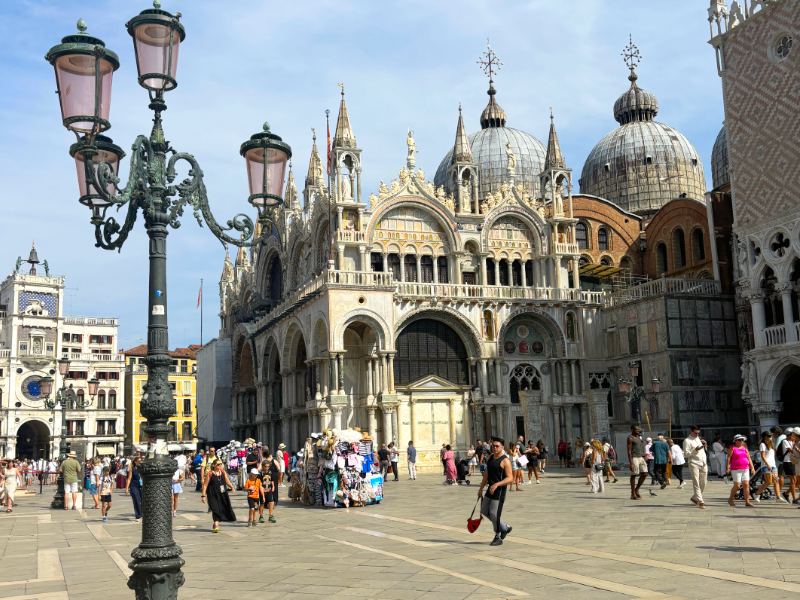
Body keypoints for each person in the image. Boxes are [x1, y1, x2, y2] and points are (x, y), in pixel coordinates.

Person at [478, 437, 514, 546]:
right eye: (493, 446)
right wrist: (480, 489)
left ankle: (498, 536)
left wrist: (497, 484)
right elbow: (486, 475)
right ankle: (504, 528)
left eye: (497, 446)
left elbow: (510, 478)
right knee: (484, 511)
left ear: (502, 447)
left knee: (494, 513)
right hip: (490, 489)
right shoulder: (491, 458)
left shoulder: (505, 460)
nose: (494, 448)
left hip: (499, 491)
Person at [201, 459, 236, 533]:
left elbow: (227, 481)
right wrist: (203, 496)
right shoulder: (210, 473)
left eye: (220, 464)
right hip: (212, 494)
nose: (220, 465)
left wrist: (232, 487)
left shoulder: (223, 472)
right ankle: (216, 526)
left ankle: (215, 523)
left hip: (222, 494)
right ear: (213, 465)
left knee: (221, 508)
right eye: (218, 464)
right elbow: (205, 485)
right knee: (215, 509)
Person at [726, 434, 756, 507]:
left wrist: (752, 468)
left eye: (742, 440)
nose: (741, 441)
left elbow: (749, 458)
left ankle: (747, 501)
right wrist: (727, 467)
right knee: (737, 486)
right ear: (735, 441)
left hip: (745, 468)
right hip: (736, 469)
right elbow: (728, 458)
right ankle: (730, 499)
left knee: (746, 485)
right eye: (739, 440)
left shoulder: (745, 448)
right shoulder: (732, 448)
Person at [683, 425, 708, 509]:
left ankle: (694, 498)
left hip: (703, 462)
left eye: (698, 433)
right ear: (691, 431)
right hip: (694, 462)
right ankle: (701, 501)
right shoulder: (687, 441)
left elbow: (703, 450)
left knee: (703, 483)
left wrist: (705, 444)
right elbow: (686, 454)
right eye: (695, 433)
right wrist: (695, 450)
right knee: (696, 482)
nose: (697, 434)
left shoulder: (698, 439)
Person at [754, 431, 779, 503]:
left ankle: (778, 497)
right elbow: (763, 456)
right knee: (768, 482)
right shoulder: (762, 445)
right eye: (769, 436)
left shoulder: (771, 445)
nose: (771, 437)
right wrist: (767, 465)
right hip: (766, 466)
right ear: (766, 437)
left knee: (776, 481)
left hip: (773, 465)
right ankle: (757, 493)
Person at [628, 425, 648, 500]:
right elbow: (629, 451)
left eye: (638, 430)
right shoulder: (630, 438)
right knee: (634, 474)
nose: (638, 431)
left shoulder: (638, 438)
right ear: (632, 430)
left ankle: (637, 489)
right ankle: (633, 493)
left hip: (640, 457)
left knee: (645, 473)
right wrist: (630, 462)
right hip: (634, 457)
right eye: (636, 430)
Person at [780, 429, 797, 503]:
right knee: (793, 481)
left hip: (793, 462)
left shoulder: (791, 441)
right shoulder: (785, 441)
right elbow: (791, 450)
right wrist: (794, 443)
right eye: (792, 435)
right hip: (787, 462)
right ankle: (794, 499)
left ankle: (786, 493)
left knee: (796, 481)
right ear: (789, 435)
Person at [125, 456, 143, 522]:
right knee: (137, 501)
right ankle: (138, 515)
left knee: (143, 501)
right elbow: (129, 479)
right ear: (135, 462)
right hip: (134, 486)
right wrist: (127, 488)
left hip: (142, 486)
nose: (140, 462)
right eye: (139, 461)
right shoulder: (132, 469)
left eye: (141, 461)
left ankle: (142, 514)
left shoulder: (143, 468)